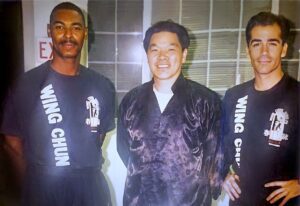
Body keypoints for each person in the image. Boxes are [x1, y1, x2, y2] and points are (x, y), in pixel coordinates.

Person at [0, 2, 115, 206]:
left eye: (76, 27)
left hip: (89, 190)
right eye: (60, 27)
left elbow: (97, 136)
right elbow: (11, 139)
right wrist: (36, 173)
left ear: (85, 33)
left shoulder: (102, 86)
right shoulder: (27, 84)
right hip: (43, 188)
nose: (68, 35)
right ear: (49, 30)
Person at [117, 20, 223, 206]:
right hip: (140, 200)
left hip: (189, 201)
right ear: (147, 55)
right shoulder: (131, 101)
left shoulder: (206, 101)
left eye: (171, 50)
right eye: (155, 50)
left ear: (184, 55)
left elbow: (214, 156)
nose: (162, 57)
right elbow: (124, 149)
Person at [222, 12, 300, 206]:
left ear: (284, 49)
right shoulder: (234, 96)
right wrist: (222, 174)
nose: (264, 52)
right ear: (248, 50)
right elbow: (219, 148)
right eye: (257, 44)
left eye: (272, 43)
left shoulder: (297, 95)